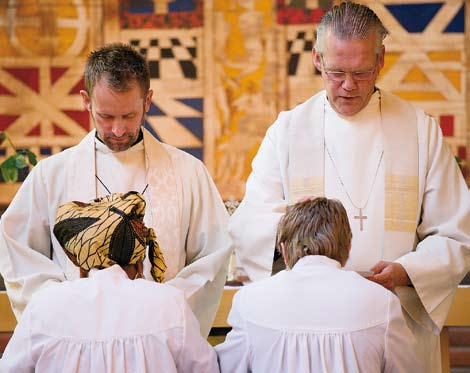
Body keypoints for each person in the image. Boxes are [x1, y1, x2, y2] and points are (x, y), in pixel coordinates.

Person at [228, 2, 470, 371]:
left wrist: (408, 271)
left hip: (395, 321)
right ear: (317, 59)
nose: (347, 86)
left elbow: (455, 235)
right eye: (337, 71)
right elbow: (250, 223)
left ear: (382, 60)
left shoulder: (419, 132)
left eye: (361, 72)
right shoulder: (289, 132)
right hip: (308, 323)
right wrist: (304, 253)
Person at [0, 42, 232, 338]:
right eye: (106, 117)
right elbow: (18, 252)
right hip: (79, 335)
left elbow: (212, 256)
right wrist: (69, 307)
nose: (119, 130)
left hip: (159, 336)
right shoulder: (52, 175)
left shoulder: (188, 172)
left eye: (129, 116)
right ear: (86, 101)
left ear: (148, 100)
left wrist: (160, 309)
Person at [0, 192, 219, 372]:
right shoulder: (170, 303)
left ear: (80, 261)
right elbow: (206, 368)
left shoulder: (44, 306)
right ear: (140, 259)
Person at [217, 197, 422, 372]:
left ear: (284, 250)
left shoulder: (250, 301)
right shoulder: (382, 302)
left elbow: (227, 367)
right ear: (348, 247)